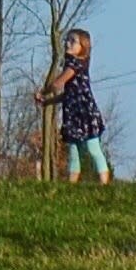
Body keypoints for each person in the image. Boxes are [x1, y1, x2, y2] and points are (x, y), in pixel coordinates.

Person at [35, 28, 111, 183]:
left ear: (83, 46)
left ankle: (104, 184)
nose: (67, 43)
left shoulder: (77, 64)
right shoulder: (70, 64)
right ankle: (71, 186)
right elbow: (67, 95)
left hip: (85, 114)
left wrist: (42, 92)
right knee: (74, 152)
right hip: (73, 115)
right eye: (67, 40)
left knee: (93, 148)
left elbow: (58, 84)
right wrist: (48, 102)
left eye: (72, 41)